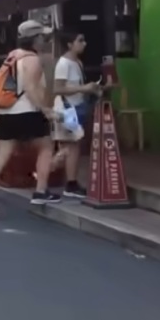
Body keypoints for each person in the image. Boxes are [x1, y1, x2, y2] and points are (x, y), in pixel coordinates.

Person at [0, 20, 61, 217]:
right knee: (46, 146)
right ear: (35, 39)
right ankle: (40, 190)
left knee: (2, 154)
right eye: (42, 37)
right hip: (26, 111)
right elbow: (30, 89)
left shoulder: (12, 56)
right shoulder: (32, 60)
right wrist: (46, 110)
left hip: (5, 112)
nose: (44, 41)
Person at [50, 31, 99, 198]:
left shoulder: (77, 62)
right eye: (80, 40)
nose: (84, 43)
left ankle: (68, 181)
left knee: (72, 146)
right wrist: (83, 89)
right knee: (69, 147)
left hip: (75, 108)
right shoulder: (63, 64)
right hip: (66, 109)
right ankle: (51, 174)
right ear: (69, 44)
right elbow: (57, 88)